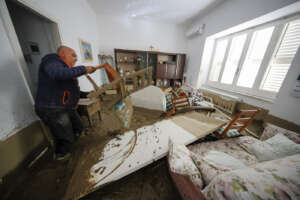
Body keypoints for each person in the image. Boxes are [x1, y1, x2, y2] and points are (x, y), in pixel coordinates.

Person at [35, 45, 97, 160]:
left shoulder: (66, 70)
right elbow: (57, 73)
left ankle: (79, 136)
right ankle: (62, 155)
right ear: (62, 54)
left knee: (79, 125)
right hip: (51, 108)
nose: (76, 59)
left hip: (63, 106)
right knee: (65, 136)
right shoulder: (51, 60)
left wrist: (87, 94)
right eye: (73, 55)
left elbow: (70, 91)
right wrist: (84, 69)